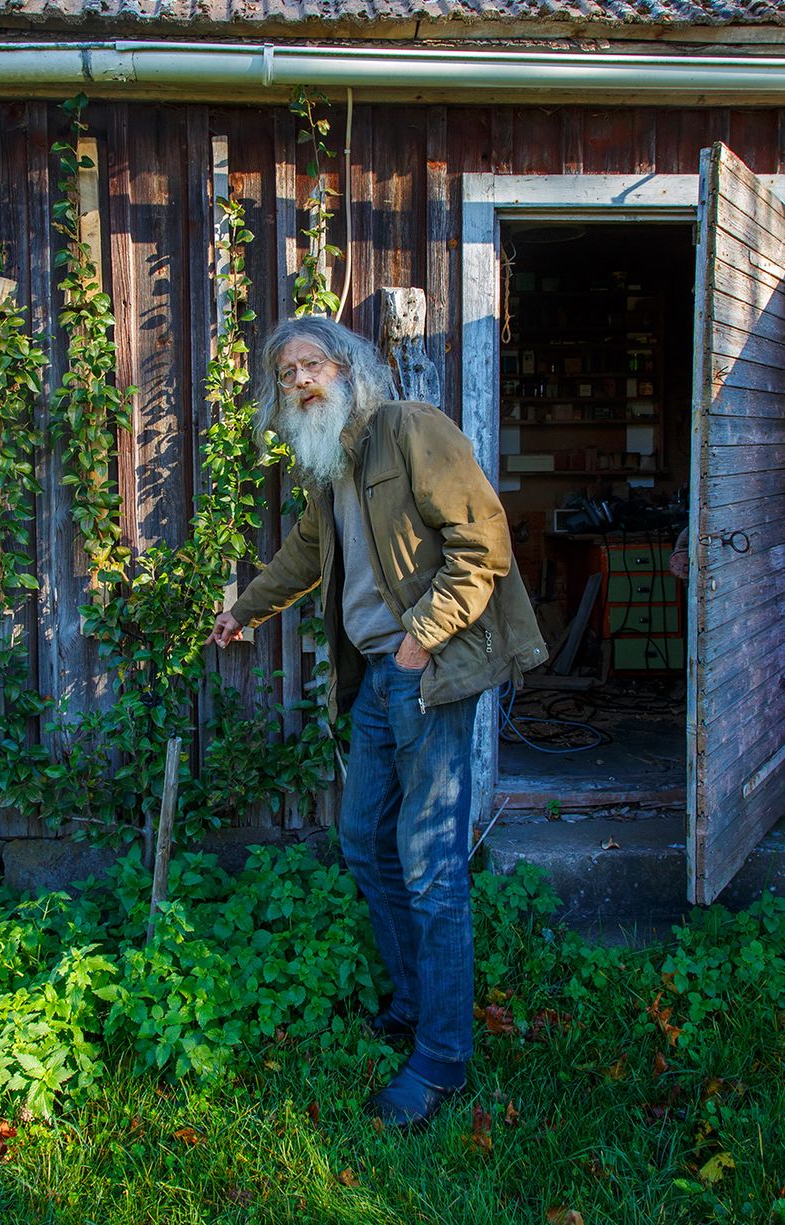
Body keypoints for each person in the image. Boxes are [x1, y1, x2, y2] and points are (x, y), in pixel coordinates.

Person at [206, 317, 547, 1129]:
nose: (298, 381)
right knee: (364, 840)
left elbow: (483, 538)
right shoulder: (333, 468)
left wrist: (418, 645)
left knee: (429, 865)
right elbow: (302, 557)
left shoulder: (410, 431)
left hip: (428, 674)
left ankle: (441, 1058)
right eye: (284, 372)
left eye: (311, 364)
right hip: (378, 683)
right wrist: (244, 612)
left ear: (351, 368)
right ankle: (414, 1003)